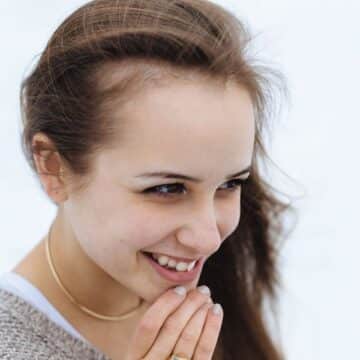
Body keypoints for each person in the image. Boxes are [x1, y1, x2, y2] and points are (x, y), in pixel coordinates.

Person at [0, 0, 295, 359]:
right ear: (53, 167)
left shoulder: (210, 299)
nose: (207, 238)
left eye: (229, 184)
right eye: (167, 189)